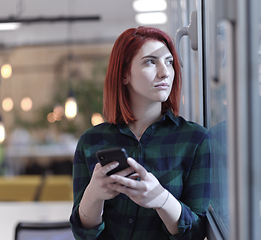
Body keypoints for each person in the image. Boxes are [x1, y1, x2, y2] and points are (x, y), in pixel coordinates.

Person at [69, 26, 211, 240]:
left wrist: (162, 199)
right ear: (125, 74)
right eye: (151, 61)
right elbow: (84, 234)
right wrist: (94, 195)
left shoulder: (196, 140)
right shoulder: (91, 141)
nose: (165, 72)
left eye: (169, 62)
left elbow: (197, 233)